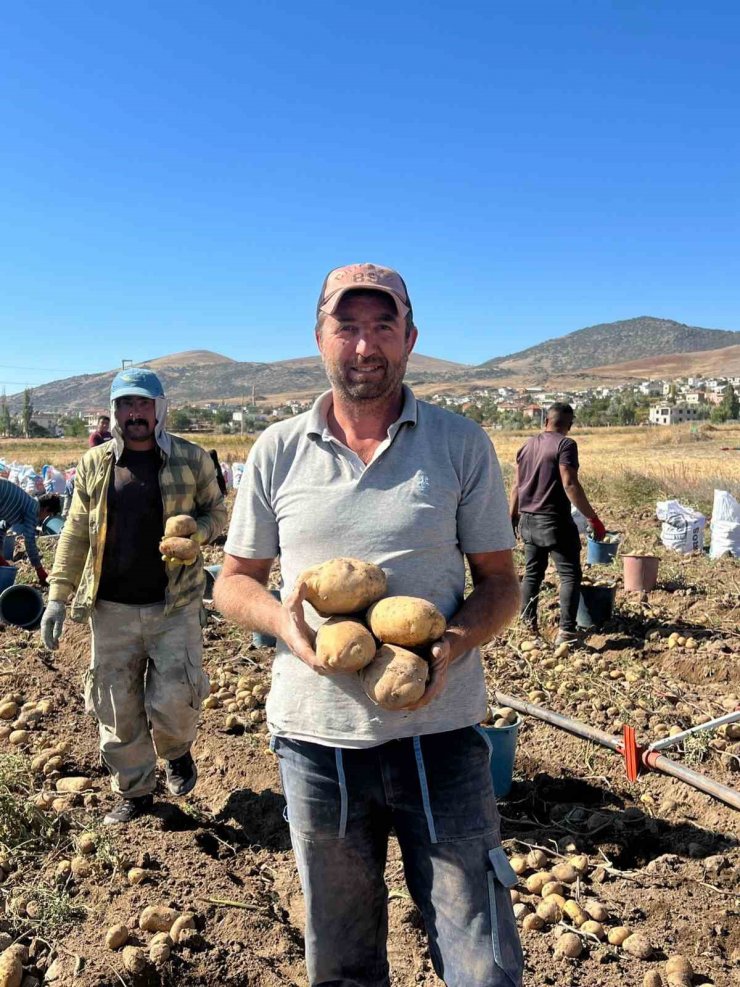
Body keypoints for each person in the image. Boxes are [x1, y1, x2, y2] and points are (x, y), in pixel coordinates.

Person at [214, 263, 524, 987]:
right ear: (319, 338)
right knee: (343, 962)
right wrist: (287, 627)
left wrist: (455, 640)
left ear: (410, 337)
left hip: (442, 739)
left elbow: (503, 583)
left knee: (483, 960)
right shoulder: (277, 450)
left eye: (382, 325)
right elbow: (234, 581)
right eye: (346, 326)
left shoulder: (459, 443)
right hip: (318, 746)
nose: (364, 344)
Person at [39, 368, 226, 825]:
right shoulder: (95, 463)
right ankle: (135, 792)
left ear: (160, 409)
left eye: (144, 404)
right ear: (114, 411)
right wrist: (58, 597)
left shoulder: (191, 458)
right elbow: (76, 532)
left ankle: (177, 751)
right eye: (126, 404)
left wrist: (197, 535)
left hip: (175, 604)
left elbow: (218, 512)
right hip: (112, 609)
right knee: (116, 706)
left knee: (175, 699)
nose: (135, 413)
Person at [509, 402, 606, 645]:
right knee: (570, 575)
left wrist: (512, 518)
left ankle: (527, 627)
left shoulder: (527, 445)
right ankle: (567, 632)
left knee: (532, 575)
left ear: (546, 422)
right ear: (569, 425)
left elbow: (515, 487)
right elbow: (569, 483)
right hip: (554, 522)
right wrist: (592, 518)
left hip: (528, 521)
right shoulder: (566, 444)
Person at [0, 478, 56, 584]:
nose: (44, 518)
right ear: (46, 509)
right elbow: (29, 541)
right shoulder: (33, 510)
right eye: (48, 515)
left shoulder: (20, 507)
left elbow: (2, 527)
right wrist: (40, 570)